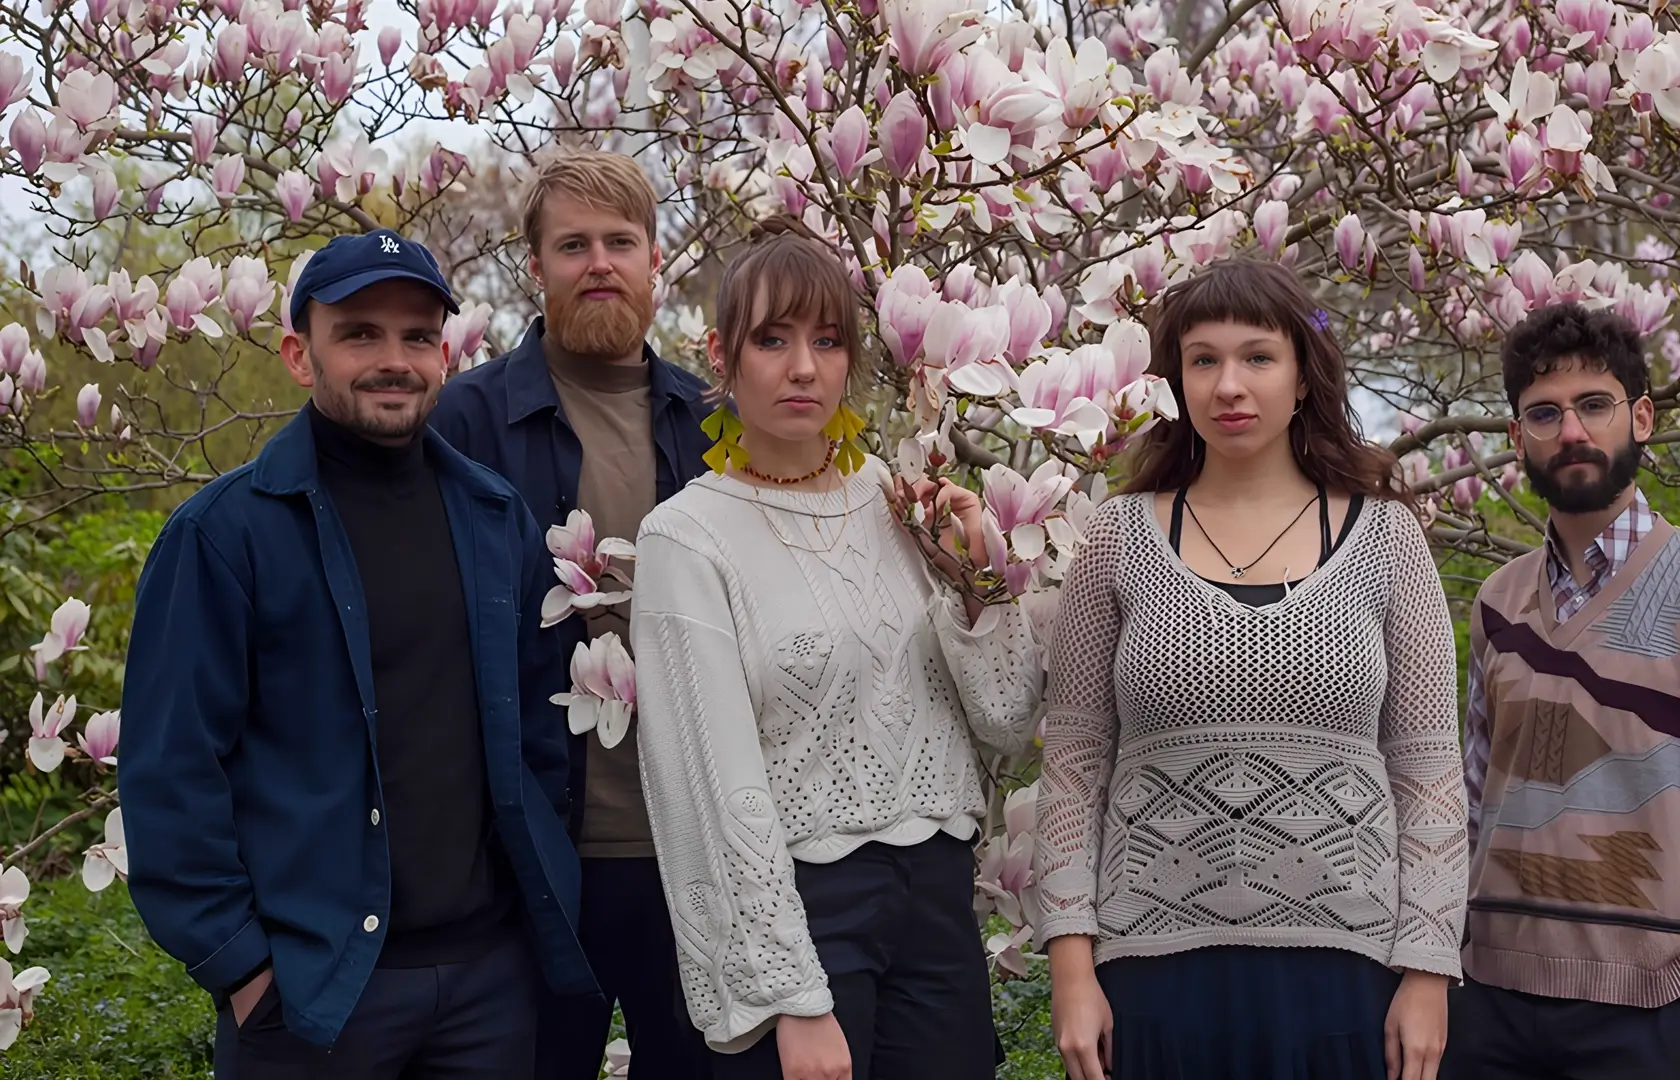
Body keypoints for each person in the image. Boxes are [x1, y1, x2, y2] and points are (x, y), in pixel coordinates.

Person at [119, 229, 597, 1079]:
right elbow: (171, 769)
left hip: (488, 987)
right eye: (360, 334)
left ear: (444, 355)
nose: (394, 360)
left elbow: (541, 736)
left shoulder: (496, 521)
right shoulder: (223, 537)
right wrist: (241, 967)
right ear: (299, 355)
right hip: (312, 1001)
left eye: (417, 336)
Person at [625, 217, 1044, 1080]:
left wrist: (973, 581)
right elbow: (709, 786)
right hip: (806, 912)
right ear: (722, 355)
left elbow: (1006, 721)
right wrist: (793, 996)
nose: (803, 368)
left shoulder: (900, 502)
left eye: (826, 340)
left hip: (937, 903)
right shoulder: (687, 537)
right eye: (771, 340)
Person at [1034, 259, 1465, 1080]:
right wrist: (1071, 969)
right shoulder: (1118, 539)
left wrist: (1428, 969)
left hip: (1350, 973)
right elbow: (1074, 767)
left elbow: (1429, 771)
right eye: (1203, 360)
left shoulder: (1387, 538)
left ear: (1303, 377)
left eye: (1257, 357)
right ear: (1174, 383)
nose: (1229, 385)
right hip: (1150, 973)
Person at [1441, 303, 1680, 1080]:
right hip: (1486, 1004)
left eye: (1594, 404)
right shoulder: (1497, 602)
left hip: (1653, 1012)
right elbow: (1476, 798)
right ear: (1517, 438)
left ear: (1641, 418)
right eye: (1544, 413)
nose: (1572, 431)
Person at [430, 150, 716, 1079]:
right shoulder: (463, 423)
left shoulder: (713, 423)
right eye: (573, 245)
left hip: (692, 848)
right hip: (530, 861)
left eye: (620, 243)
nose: (599, 263)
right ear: (535, 265)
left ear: (655, 260)